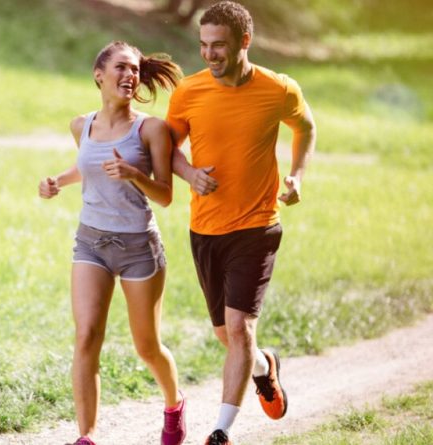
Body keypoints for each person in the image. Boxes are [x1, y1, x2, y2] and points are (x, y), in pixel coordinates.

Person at [166, 2, 317, 444]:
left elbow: (305, 127)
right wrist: (189, 173)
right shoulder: (188, 92)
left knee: (238, 328)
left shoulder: (278, 88)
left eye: (220, 46)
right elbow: (168, 147)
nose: (210, 55)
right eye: (204, 46)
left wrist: (297, 176)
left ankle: (221, 430)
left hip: (257, 225)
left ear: (244, 42)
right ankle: (264, 368)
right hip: (205, 228)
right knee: (226, 335)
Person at [39, 41, 185, 445]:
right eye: (121, 67)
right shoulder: (80, 125)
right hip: (91, 242)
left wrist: (133, 174)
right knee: (86, 336)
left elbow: (165, 195)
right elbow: (89, 167)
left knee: (147, 347)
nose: (131, 75)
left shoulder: (151, 128)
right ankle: (86, 436)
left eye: (135, 70)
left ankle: (174, 404)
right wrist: (57, 181)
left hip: (139, 247)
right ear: (99, 75)